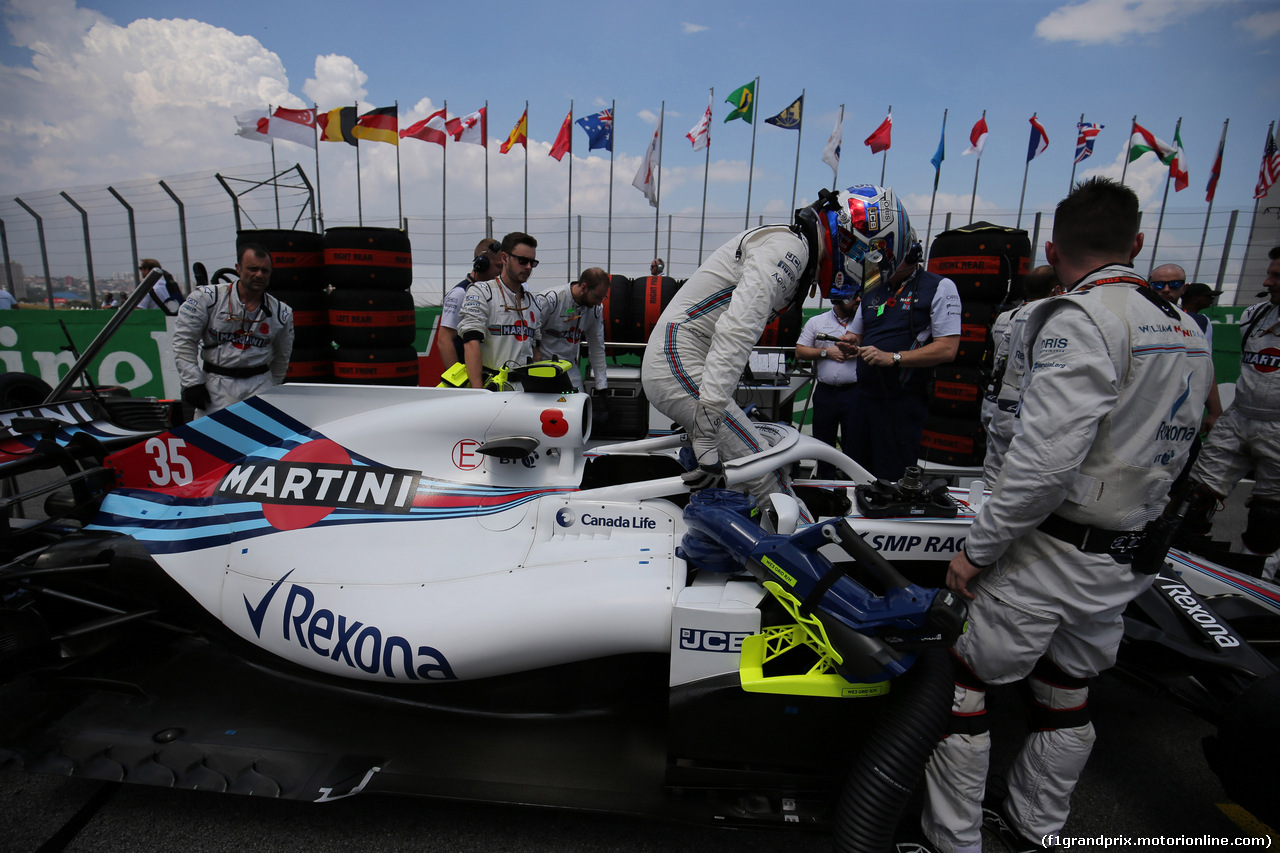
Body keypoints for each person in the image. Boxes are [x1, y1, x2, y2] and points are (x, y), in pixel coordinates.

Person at [920, 178, 1213, 853]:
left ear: (1052, 248)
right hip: (1124, 554)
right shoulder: (1182, 326)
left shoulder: (1080, 319)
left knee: (963, 685)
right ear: (1136, 243)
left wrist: (977, 552)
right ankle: (1037, 828)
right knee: (1067, 691)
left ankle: (952, 840)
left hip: (1045, 551)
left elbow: (1044, 464)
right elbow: (1191, 439)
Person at [641, 186, 854, 505]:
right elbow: (736, 331)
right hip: (676, 361)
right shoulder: (788, 252)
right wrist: (707, 430)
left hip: (680, 359)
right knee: (768, 474)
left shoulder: (793, 249)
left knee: (752, 471)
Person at [841, 187, 962, 482]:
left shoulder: (940, 287)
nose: (876, 265)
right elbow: (856, 334)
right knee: (853, 474)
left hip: (901, 403)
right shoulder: (872, 286)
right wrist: (848, 343)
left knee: (890, 478)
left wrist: (893, 357)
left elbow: (948, 349)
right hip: (861, 399)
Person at [1180, 247, 1280, 569]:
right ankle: (1184, 567)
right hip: (1238, 419)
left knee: (1268, 517)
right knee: (1192, 499)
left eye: (1276, 276)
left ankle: (1258, 583)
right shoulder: (1255, 315)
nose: (1268, 281)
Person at [174, 243, 295, 416]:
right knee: (209, 441)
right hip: (214, 387)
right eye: (253, 269)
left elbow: (282, 358)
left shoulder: (281, 312)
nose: (259, 274)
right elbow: (184, 342)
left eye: (265, 271)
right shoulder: (206, 299)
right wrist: (193, 383)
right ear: (238, 268)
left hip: (259, 385)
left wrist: (272, 389)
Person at [979, 265, 1062, 485]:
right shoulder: (1054, 315)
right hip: (1026, 402)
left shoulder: (1006, 316)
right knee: (1022, 474)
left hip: (997, 398)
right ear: (1056, 289)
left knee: (994, 468)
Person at [457, 232, 545, 389]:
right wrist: (478, 392)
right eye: (522, 261)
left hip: (525, 392)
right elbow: (471, 344)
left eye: (533, 263)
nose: (528, 267)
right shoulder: (481, 292)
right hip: (491, 391)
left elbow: (536, 352)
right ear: (505, 258)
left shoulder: (534, 303)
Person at [795, 282, 862, 479]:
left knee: (855, 444)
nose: (858, 299)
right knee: (823, 444)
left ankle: (853, 486)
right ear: (838, 299)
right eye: (853, 296)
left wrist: (857, 351)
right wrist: (826, 352)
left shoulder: (864, 323)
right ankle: (825, 486)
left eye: (859, 295)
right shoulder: (817, 322)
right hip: (826, 393)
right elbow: (800, 351)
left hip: (855, 393)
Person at [539, 267, 609, 392]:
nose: (599, 303)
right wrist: (535, 350)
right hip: (542, 367)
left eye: (602, 298)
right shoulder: (551, 299)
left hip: (569, 368)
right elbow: (530, 328)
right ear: (583, 287)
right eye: (597, 297)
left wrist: (601, 385)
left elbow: (597, 346)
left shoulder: (595, 310)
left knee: (580, 407)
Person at [437, 239, 502, 369]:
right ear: (482, 263)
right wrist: (457, 382)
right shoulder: (460, 293)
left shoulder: (493, 292)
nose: (501, 272)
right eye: (498, 266)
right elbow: (444, 341)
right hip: (466, 374)